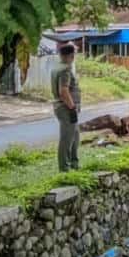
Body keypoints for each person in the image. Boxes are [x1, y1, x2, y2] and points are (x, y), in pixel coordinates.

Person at [51, 43, 81, 172]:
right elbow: (63, 91)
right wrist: (72, 107)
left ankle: (74, 163)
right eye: (73, 55)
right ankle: (64, 168)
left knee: (75, 135)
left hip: (65, 107)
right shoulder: (65, 70)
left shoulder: (57, 67)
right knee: (67, 139)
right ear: (71, 56)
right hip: (66, 107)